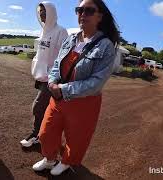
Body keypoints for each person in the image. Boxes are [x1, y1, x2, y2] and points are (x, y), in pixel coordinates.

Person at [32, 0, 119, 176]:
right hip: (57, 96)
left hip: (84, 103)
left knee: (77, 137)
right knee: (46, 132)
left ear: (99, 16)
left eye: (88, 11)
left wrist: (63, 89)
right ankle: (49, 159)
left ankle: (66, 161)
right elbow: (57, 63)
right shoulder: (71, 38)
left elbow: (96, 82)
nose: (82, 14)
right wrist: (52, 81)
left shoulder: (106, 46)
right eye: (79, 10)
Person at [20, 1, 68, 147]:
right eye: (40, 13)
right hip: (41, 77)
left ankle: (37, 135)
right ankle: (46, 136)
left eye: (45, 13)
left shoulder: (61, 31)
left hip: (52, 78)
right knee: (47, 108)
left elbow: (64, 57)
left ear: (52, 13)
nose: (42, 16)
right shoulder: (43, 32)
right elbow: (41, 54)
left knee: (38, 107)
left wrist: (57, 77)